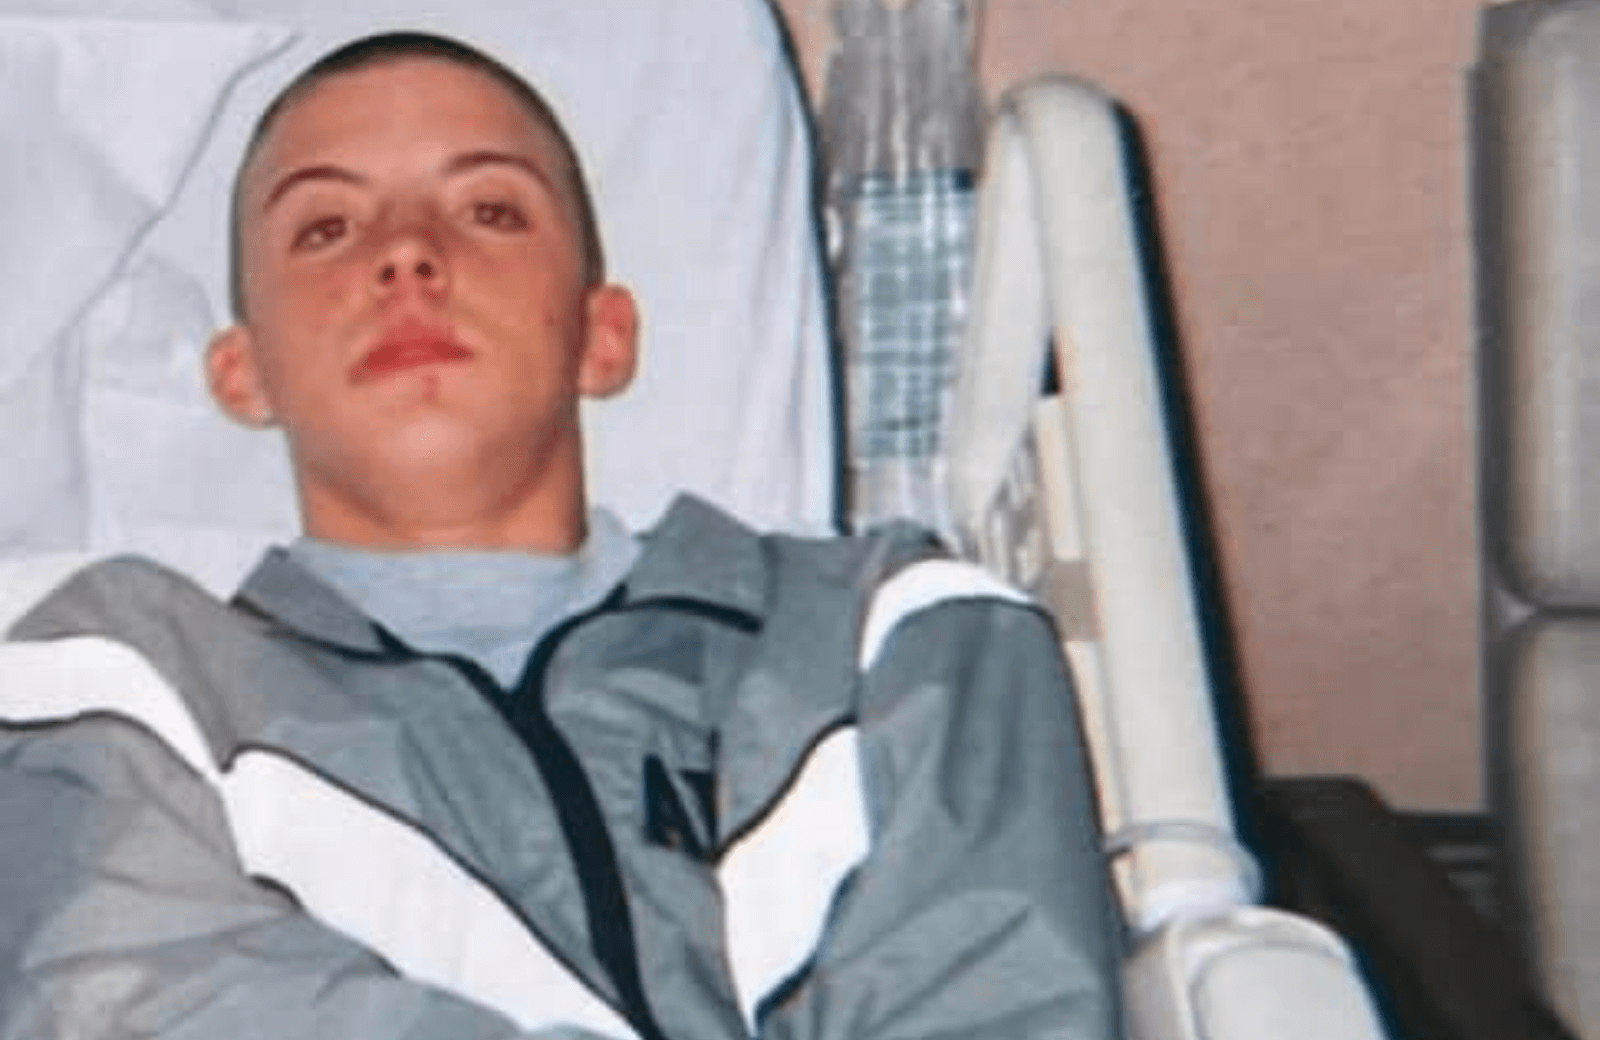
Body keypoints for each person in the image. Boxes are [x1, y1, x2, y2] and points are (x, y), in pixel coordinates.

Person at [0, 32, 1121, 1040]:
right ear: (242, 373)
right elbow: (130, 993)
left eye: (487, 210)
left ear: (602, 335)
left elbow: (995, 996)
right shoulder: (116, 676)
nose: (405, 256)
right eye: (327, 227)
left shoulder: (891, 632)